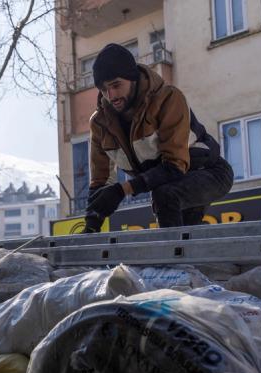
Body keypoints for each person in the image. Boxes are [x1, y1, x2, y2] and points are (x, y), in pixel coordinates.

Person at [83, 43, 234, 232]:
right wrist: (91, 224)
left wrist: (122, 191)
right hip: (166, 183)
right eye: (104, 89)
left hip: (209, 172)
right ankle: (190, 250)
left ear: (133, 79)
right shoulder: (100, 123)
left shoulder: (168, 99)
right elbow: (100, 182)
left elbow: (174, 166)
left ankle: (173, 259)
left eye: (116, 85)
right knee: (183, 225)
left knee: (165, 196)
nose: (111, 96)